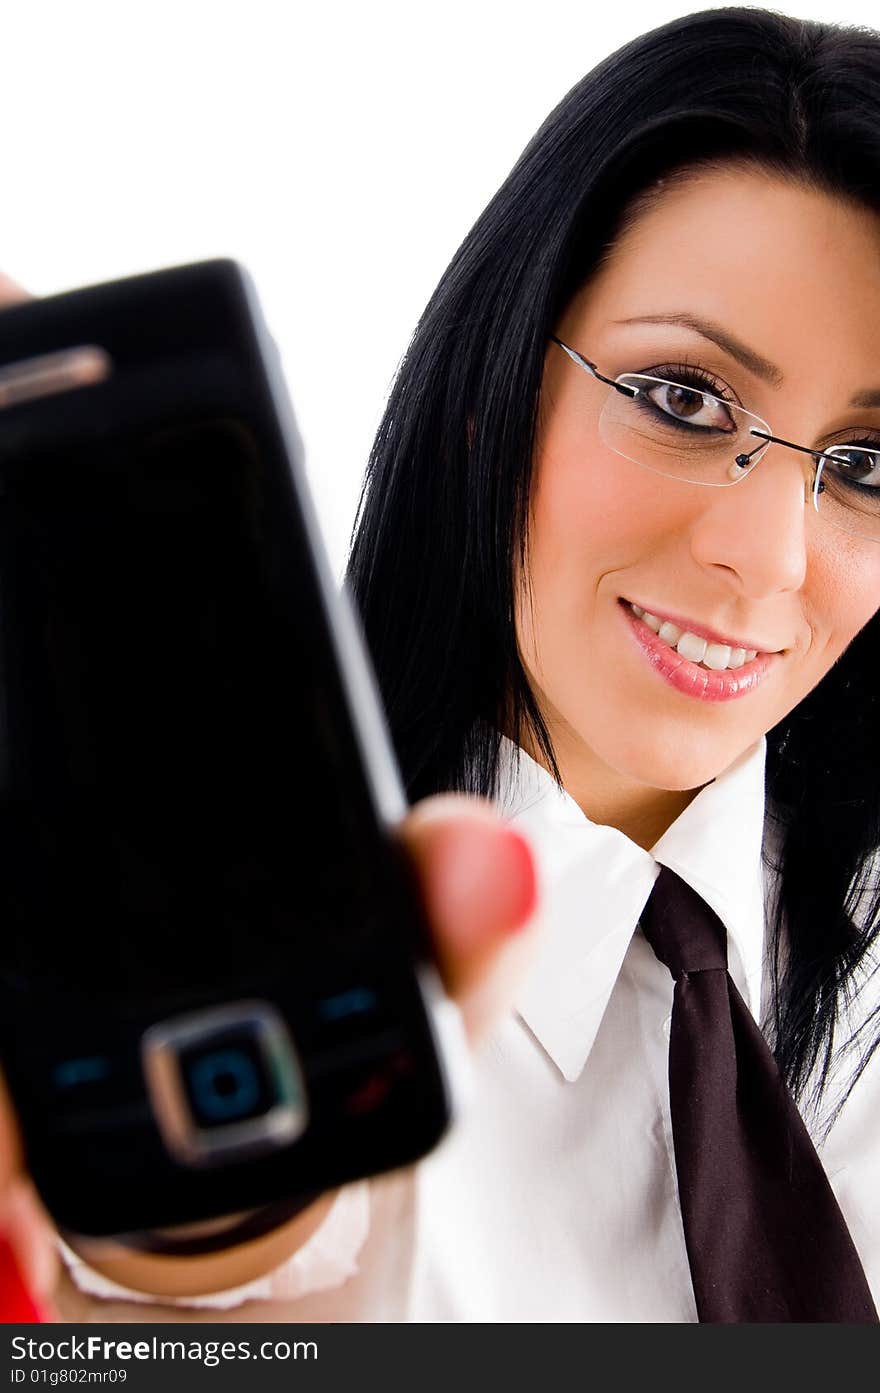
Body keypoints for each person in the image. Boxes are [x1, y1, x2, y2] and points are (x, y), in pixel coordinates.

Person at [3, 3, 880, 1322]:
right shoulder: (254, 960)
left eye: (869, 466)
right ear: (489, 402)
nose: (766, 557)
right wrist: (189, 1286)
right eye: (683, 398)